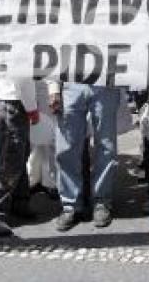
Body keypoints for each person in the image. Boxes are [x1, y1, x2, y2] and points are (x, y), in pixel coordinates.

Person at [54, 80, 120, 231]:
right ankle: (70, 205)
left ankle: (101, 201)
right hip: (71, 82)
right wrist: (53, 88)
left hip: (105, 82)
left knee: (106, 146)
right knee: (66, 147)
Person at [0, 77, 39, 237]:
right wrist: (32, 108)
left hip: (8, 99)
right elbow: (24, 78)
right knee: (11, 161)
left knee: (19, 154)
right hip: (13, 100)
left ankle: (19, 200)